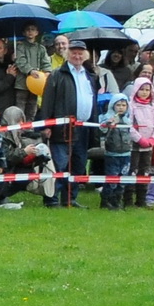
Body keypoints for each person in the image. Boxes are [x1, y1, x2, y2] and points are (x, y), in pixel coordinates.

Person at [39, 38, 101, 207]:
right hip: (62, 128)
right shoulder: (57, 75)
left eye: (80, 53)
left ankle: (70, 199)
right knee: (59, 164)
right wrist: (47, 125)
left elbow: (93, 102)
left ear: (86, 55)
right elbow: (47, 102)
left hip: (84, 127)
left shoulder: (89, 76)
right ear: (68, 54)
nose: (77, 56)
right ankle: (51, 199)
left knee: (78, 165)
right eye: (74, 52)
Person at [130, 79, 154, 205]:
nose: (144, 92)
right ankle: (128, 199)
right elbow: (129, 125)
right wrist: (139, 139)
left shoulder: (153, 107)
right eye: (141, 89)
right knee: (133, 171)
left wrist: (153, 139)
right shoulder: (131, 105)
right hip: (134, 145)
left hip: (149, 145)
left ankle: (141, 199)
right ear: (136, 90)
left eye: (147, 90)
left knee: (145, 171)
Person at [98, 94, 133, 209]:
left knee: (123, 179)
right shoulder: (106, 117)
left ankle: (117, 201)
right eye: (118, 105)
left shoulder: (128, 119)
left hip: (126, 153)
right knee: (112, 178)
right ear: (113, 105)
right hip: (112, 154)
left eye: (124, 105)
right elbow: (101, 130)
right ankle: (106, 200)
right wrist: (109, 124)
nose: (121, 107)